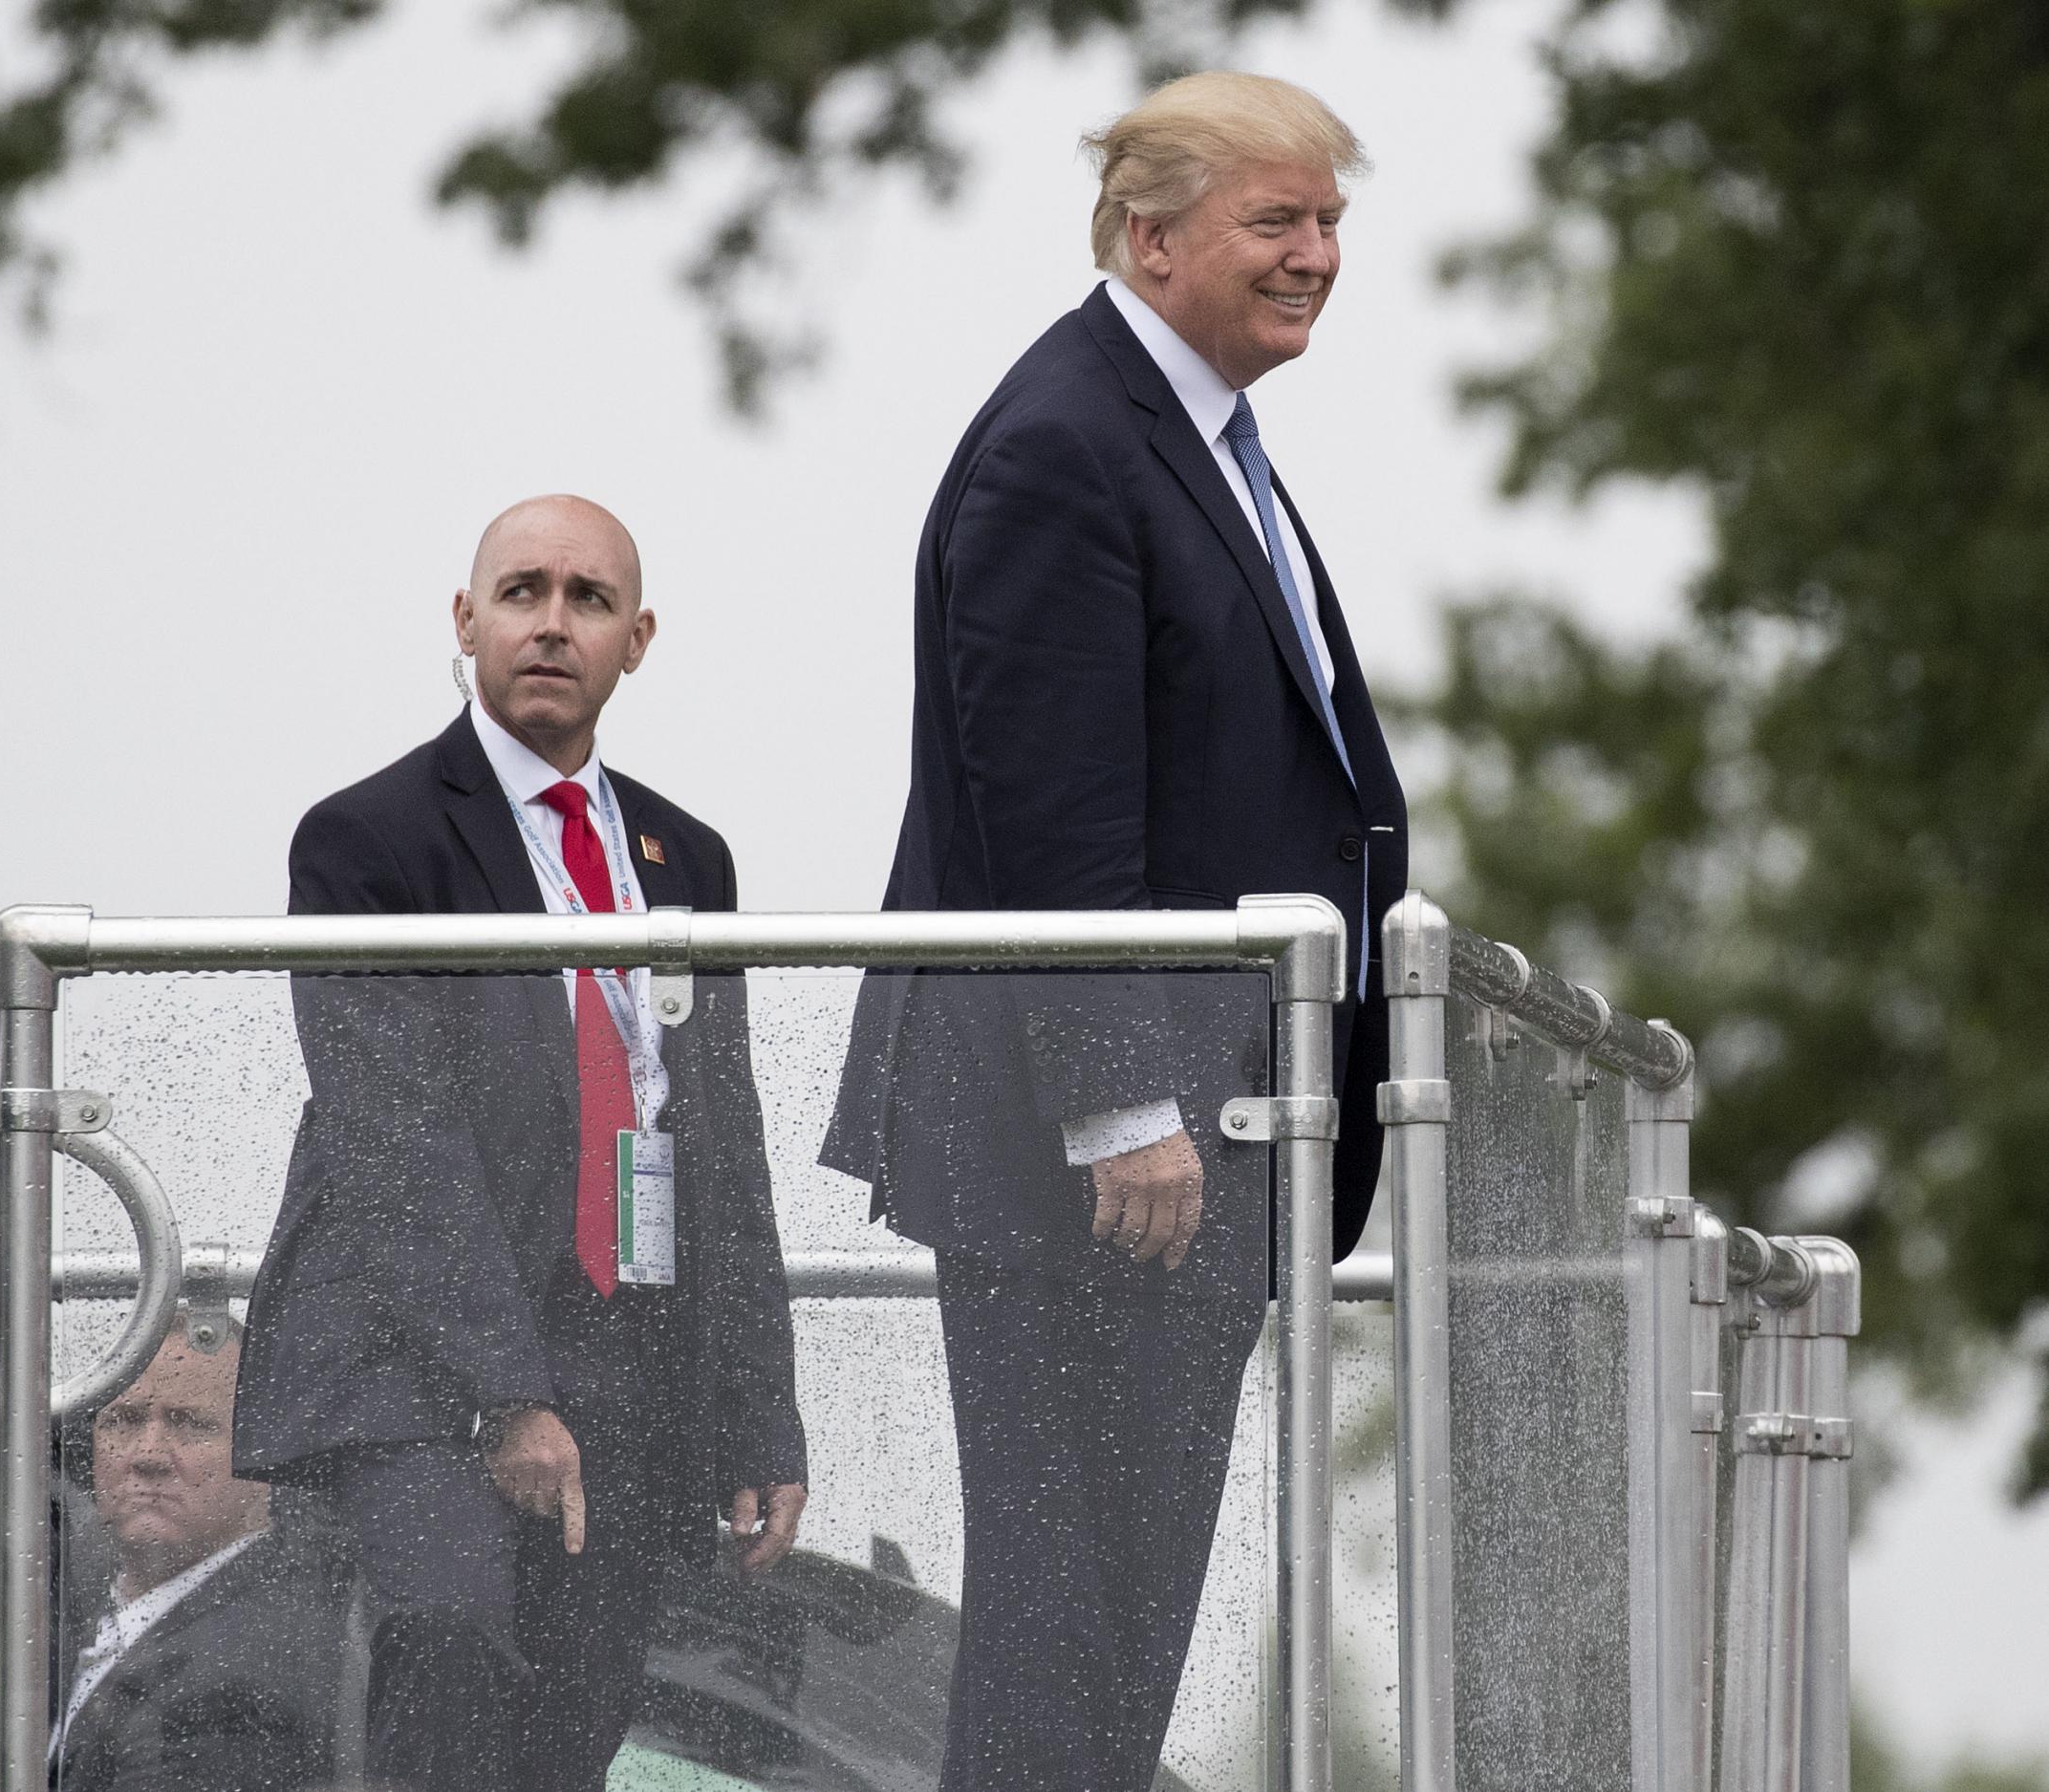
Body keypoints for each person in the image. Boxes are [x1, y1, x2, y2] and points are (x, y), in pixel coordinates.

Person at [820, 72, 1408, 1791]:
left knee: (1125, 1612)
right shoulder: (1066, 446)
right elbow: (1050, 819)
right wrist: (1122, 1106)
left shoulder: (1196, 436)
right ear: (1152, 239)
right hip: (1082, 1156)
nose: (1316, 257)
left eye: (1331, 224)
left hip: (1195, 1133)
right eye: (1277, 223)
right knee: (1063, 1614)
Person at [235, 493, 809, 1792]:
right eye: (523, 591)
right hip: (415, 1357)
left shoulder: (688, 855)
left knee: (577, 1719)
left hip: (623, 1347)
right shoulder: (365, 839)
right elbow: (395, 1140)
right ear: (467, 618)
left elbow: (723, 1148)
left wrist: (760, 1414)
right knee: (447, 1640)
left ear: (637, 638)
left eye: (588, 599)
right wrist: (507, 1392)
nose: (553, 623)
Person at [52, 1314, 354, 1792]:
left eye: (190, 1424)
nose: (147, 1455)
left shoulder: (258, 1665)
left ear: (263, 1456)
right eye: (123, 1420)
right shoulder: (69, 1589)